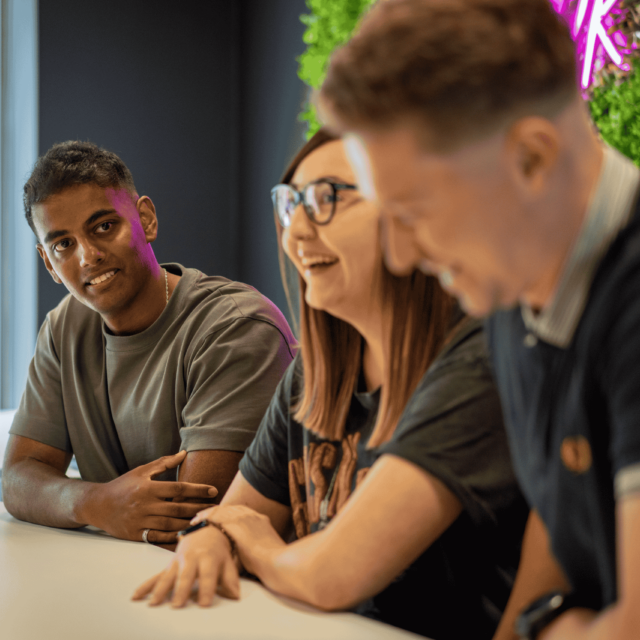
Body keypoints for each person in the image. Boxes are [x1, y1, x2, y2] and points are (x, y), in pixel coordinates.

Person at [317, 0, 640, 638]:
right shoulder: (512, 290)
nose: (401, 256)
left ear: (531, 158)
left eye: (412, 212)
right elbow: (565, 527)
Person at [132, 130, 528, 640]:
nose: (295, 231)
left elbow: (331, 577)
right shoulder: (316, 370)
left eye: (327, 198)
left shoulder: (479, 360)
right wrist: (210, 538)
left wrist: (254, 544)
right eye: (290, 203)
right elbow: (233, 516)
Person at [3, 141, 296, 547]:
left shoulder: (236, 326)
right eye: (63, 245)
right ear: (49, 263)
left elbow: (194, 519)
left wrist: (81, 502)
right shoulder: (63, 327)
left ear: (146, 218)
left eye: (104, 226)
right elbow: (17, 478)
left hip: (233, 590)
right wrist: (97, 502)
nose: (88, 256)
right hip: (123, 576)